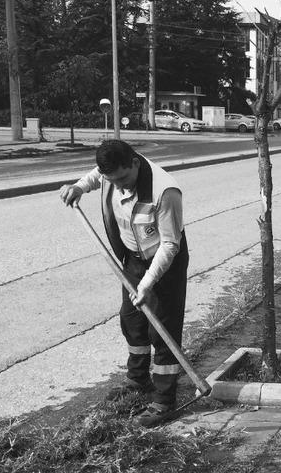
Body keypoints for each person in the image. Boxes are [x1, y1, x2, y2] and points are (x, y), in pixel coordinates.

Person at [59, 140, 188, 428]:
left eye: (123, 178)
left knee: (162, 327)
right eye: (112, 180)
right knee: (131, 320)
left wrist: (148, 284)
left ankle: (164, 400)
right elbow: (95, 176)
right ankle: (137, 379)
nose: (119, 186)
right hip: (132, 259)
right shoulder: (110, 175)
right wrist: (78, 188)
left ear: (135, 162)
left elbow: (169, 244)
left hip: (164, 263)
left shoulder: (164, 191)